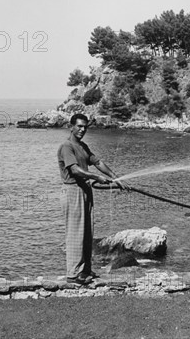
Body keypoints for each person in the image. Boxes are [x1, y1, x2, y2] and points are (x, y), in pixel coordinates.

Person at [57, 113, 129, 284]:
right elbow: (74, 170)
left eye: (85, 127)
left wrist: (116, 178)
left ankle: (85, 270)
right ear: (71, 127)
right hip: (73, 191)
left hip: (85, 191)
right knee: (75, 232)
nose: (83, 130)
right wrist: (96, 178)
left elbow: (98, 163)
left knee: (87, 232)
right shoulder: (66, 147)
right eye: (79, 126)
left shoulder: (82, 146)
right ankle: (73, 275)